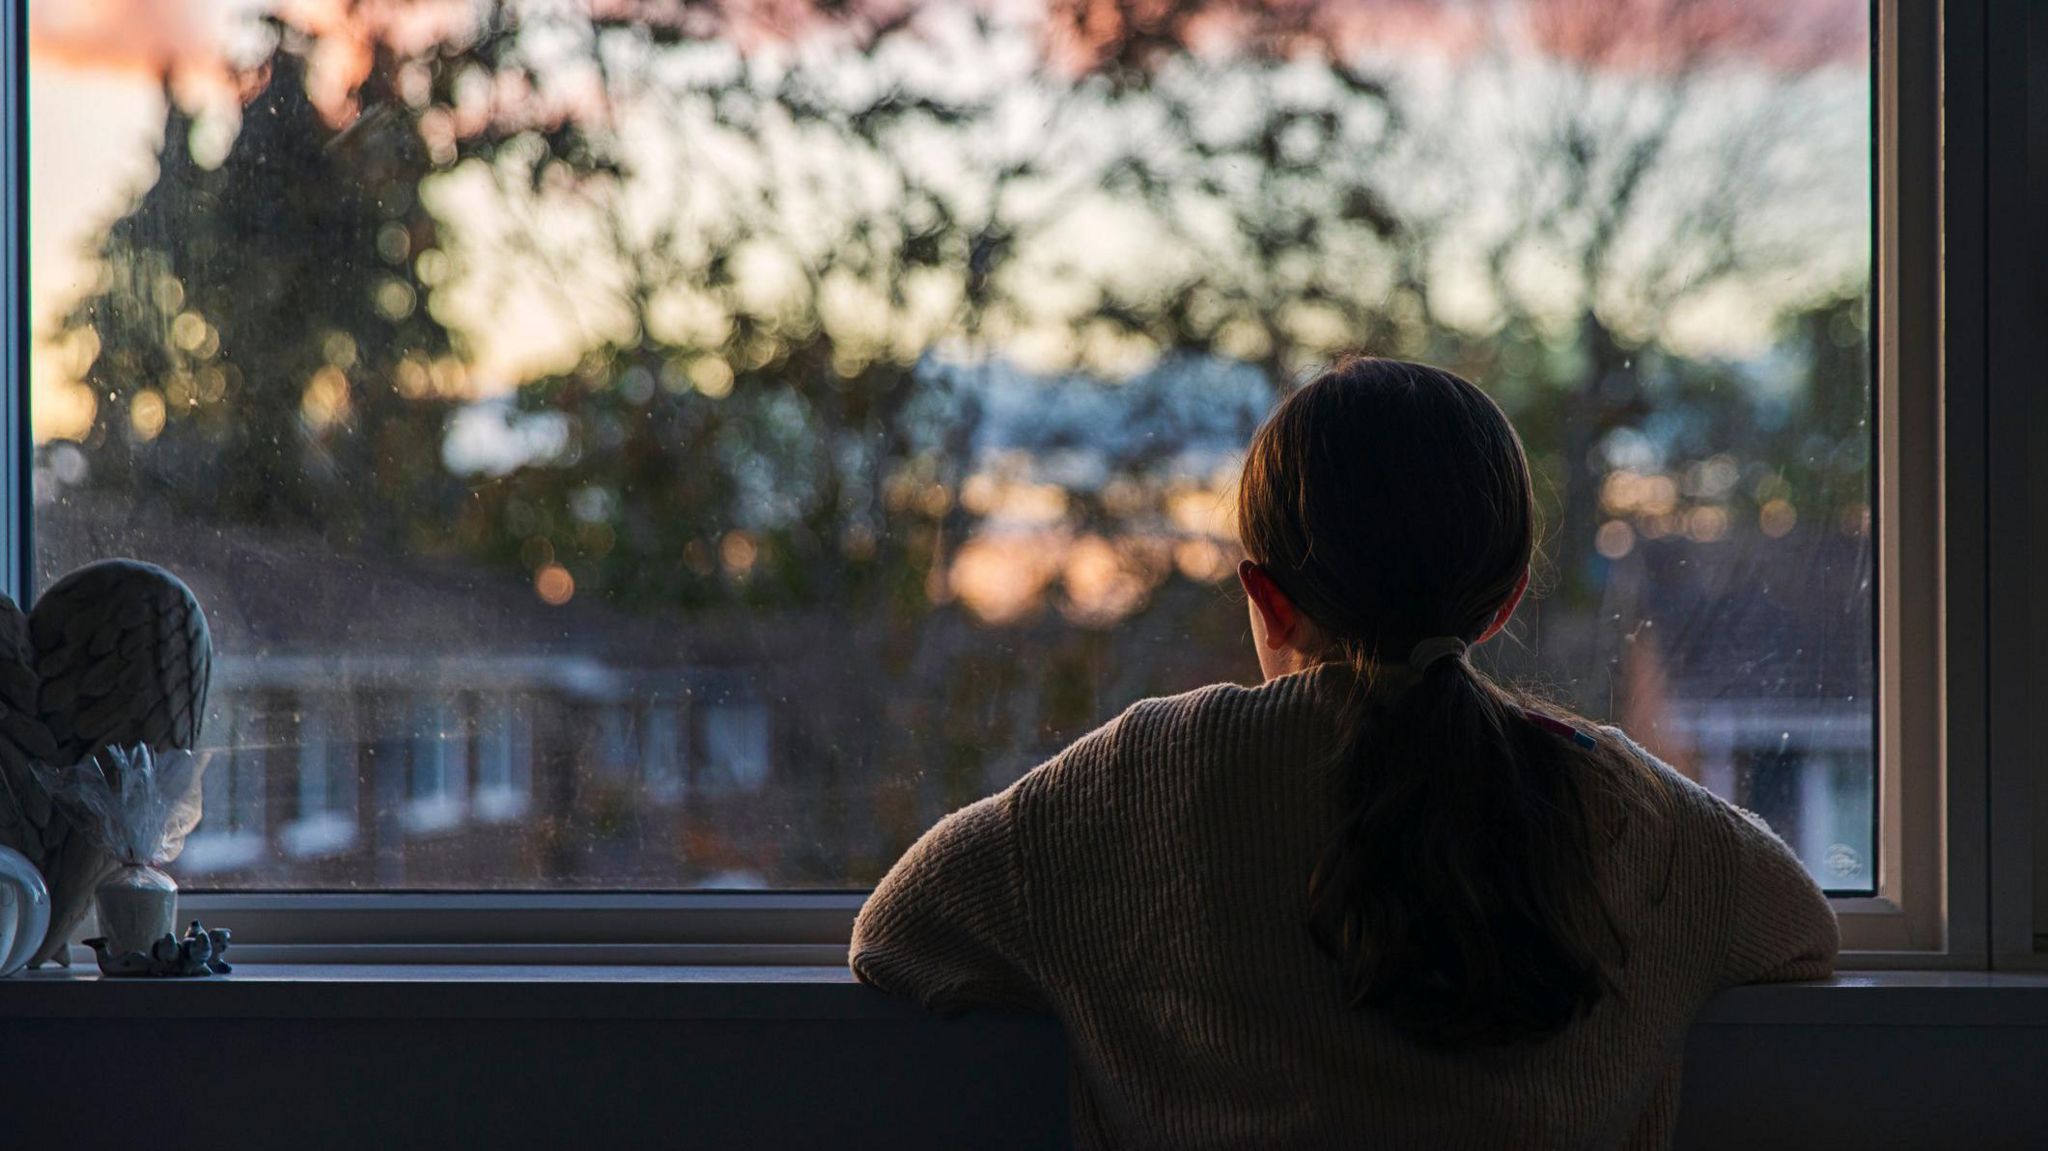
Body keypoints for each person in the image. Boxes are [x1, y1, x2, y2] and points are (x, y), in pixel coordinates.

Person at [851, 356, 1838, 1148]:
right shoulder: (1622, 804)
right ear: (1503, 601)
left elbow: (895, 934)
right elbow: (1799, 933)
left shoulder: (1149, 775)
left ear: (1266, 597)